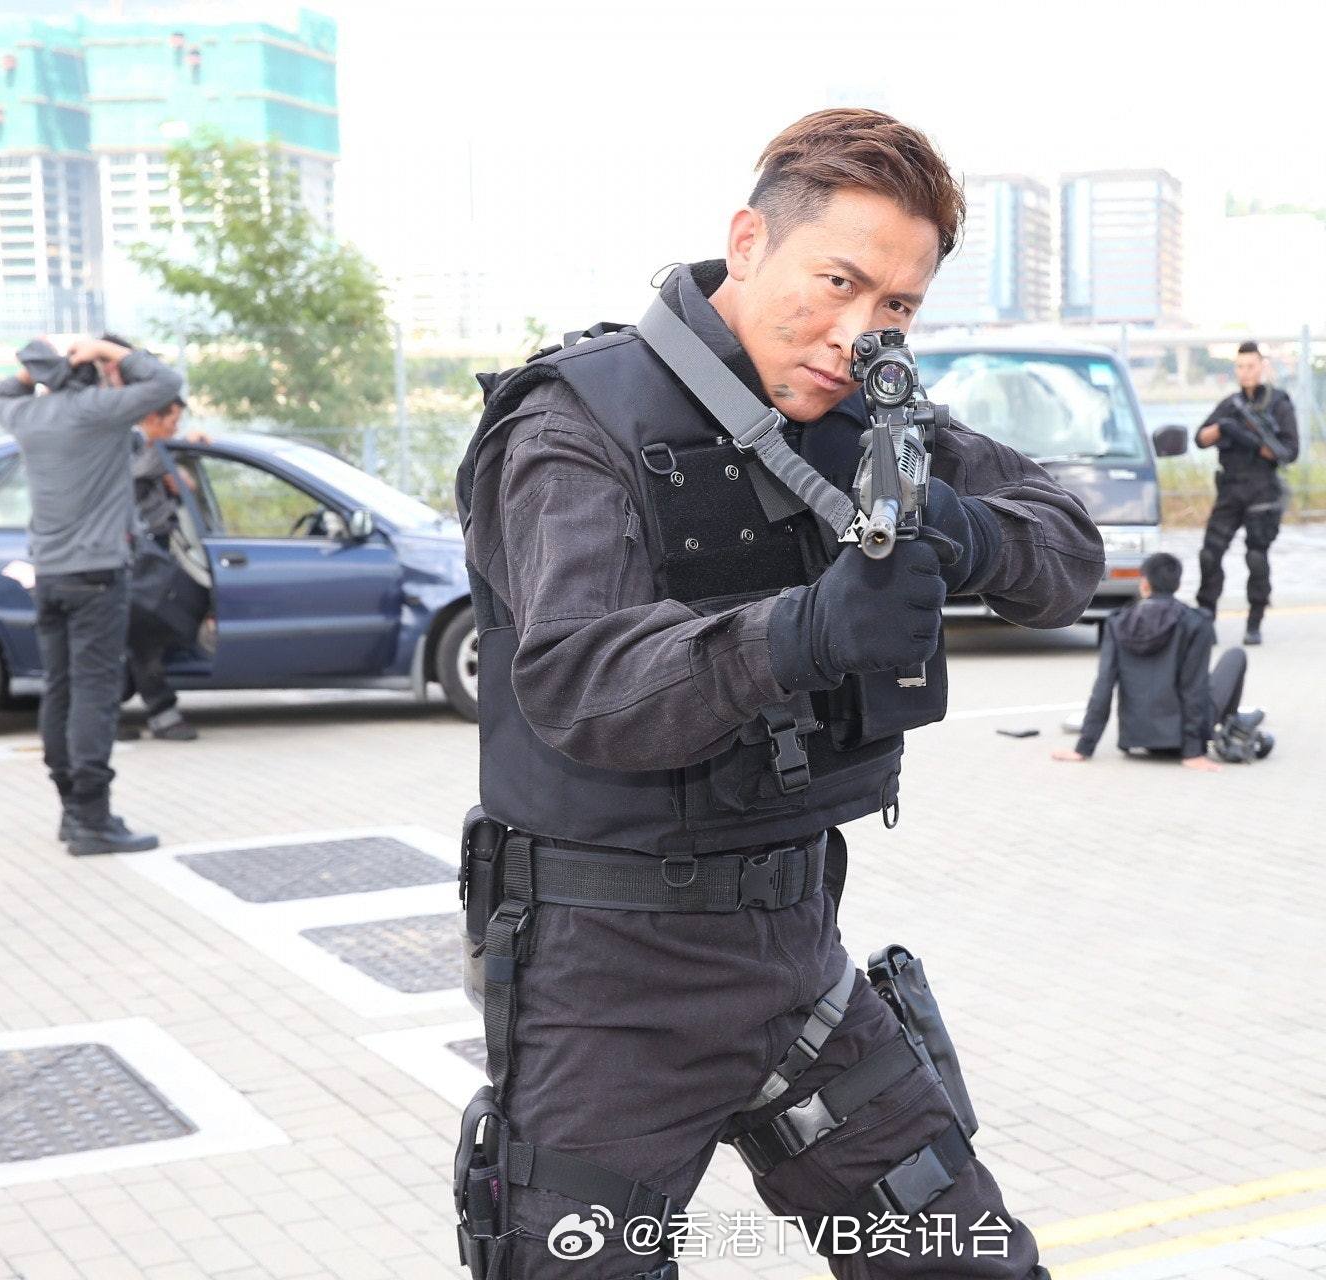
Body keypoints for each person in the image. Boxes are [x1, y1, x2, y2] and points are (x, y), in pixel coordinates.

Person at [453, 109, 1104, 1280]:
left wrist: (964, 530)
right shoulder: (577, 420)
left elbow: (1067, 551)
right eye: (838, 282)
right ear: (749, 242)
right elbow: (580, 677)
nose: (858, 335)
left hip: (799, 955)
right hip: (613, 978)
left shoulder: (869, 410)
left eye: (897, 305)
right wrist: (803, 631)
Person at [0, 336, 183, 855]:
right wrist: (105, 348)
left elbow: (3, 393)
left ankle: (71, 809)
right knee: (95, 695)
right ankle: (93, 820)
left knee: (60, 690)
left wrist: (38, 372)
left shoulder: (27, 416)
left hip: (49, 575)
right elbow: (167, 382)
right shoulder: (98, 411)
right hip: (97, 575)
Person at [1051, 553, 1253, 770]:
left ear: (1145, 583)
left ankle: (1223, 729)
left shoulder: (1117, 622)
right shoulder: (1196, 622)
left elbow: (1104, 686)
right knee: (1236, 656)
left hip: (1135, 738)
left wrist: (1083, 748)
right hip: (1182, 742)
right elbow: (1193, 687)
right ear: (1178, 585)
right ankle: (1228, 728)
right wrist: (1193, 752)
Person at [1195, 340, 1298, 646]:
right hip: (1230, 488)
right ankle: (1205, 617)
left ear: (1263, 366)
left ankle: (1255, 620)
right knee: (1209, 554)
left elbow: (1289, 451)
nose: (1245, 372)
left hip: (1262, 489)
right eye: (1240, 367)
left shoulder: (1279, 404)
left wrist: (1251, 440)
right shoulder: (1230, 405)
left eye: (1250, 366)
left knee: (1256, 557)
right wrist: (1224, 428)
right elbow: (1200, 438)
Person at [121, 393, 209, 742]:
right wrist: (175, 451)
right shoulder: (130, 445)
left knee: (141, 634)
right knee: (142, 634)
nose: (175, 428)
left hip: (153, 552)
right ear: (152, 419)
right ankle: (160, 713)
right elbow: (133, 474)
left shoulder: (149, 449)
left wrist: (180, 466)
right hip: (133, 557)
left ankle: (108, 716)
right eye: (172, 422)